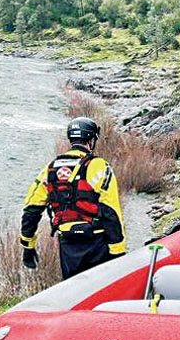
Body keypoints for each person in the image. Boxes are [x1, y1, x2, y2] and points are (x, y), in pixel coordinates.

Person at [20, 116, 126, 279]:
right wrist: (118, 252)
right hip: (97, 243)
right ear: (91, 141)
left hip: (68, 246)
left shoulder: (50, 169)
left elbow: (31, 210)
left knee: (76, 289)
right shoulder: (99, 166)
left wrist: (28, 246)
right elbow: (111, 211)